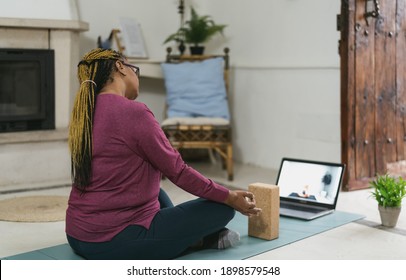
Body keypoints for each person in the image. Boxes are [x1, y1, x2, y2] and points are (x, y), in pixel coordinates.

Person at [65, 48, 261, 260]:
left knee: (154, 189)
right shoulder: (134, 112)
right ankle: (192, 240)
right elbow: (178, 172)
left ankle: (182, 238)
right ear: (120, 67)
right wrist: (229, 196)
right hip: (112, 241)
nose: (136, 76)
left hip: (77, 235)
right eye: (134, 69)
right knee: (222, 209)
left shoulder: (83, 114)